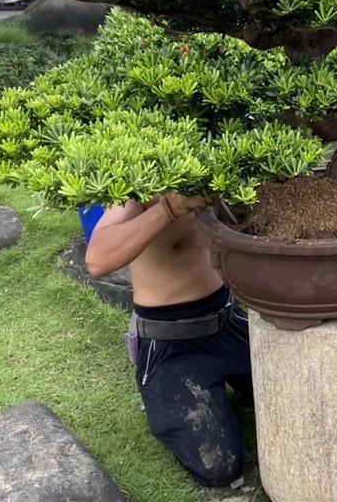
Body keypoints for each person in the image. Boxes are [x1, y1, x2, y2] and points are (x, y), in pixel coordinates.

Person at [85, 192, 252, 488]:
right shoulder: (142, 186)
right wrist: (170, 208)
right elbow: (97, 260)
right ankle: (157, 394)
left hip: (229, 321)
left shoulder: (217, 163)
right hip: (172, 343)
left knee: (302, 396)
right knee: (220, 467)